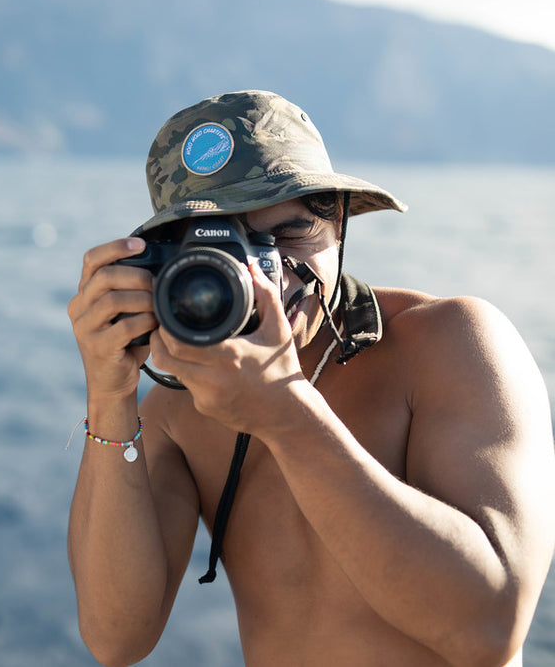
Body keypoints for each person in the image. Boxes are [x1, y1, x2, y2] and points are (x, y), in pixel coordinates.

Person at [67, 89, 555, 667]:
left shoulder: (450, 343)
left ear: (339, 224)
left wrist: (285, 411)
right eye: (228, 245)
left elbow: (489, 628)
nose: (266, 275)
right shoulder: (177, 409)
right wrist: (111, 393)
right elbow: (116, 637)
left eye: (290, 234)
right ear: (171, 258)